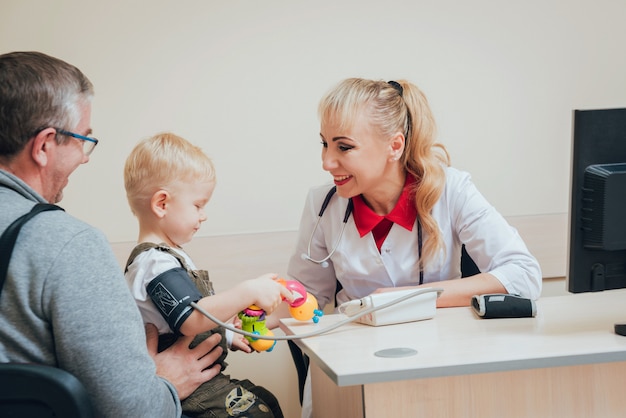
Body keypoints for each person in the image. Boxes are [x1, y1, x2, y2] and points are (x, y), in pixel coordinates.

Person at [268, 77, 543, 417]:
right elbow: (305, 297)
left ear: (394, 146)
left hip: (441, 359)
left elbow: (524, 275)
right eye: (324, 144)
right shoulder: (324, 204)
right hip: (352, 365)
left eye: (344, 147)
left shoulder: (451, 189)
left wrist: (408, 300)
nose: (327, 162)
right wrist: (241, 325)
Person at [0, 51, 225, 417]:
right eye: (81, 140)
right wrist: (162, 381)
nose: (86, 156)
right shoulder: (68, 244)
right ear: (43, 146)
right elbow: (133, 410)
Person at [123, 132, 291, 418]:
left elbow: (178, 323)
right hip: (192, 393)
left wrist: (226, 335)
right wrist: (247, 291)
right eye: (198, 205)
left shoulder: (168, 257)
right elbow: (191, 320)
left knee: (267, 401)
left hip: (201, 378)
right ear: (162, 204)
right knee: (257, 414)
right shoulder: (153, 264)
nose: (203, 215)